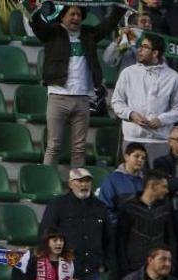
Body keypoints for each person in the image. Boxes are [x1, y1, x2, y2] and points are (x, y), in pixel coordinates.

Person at [31, 2, 126, 166]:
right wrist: (33, 10)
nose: (76, 18)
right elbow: (38, 26)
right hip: (58, 96)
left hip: (82, 99)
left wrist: (121, 7)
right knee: (53, 146)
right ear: (63, 16)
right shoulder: (53, 33)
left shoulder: (89, 34)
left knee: (79, 148)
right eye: (72, 14)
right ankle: (47, 183)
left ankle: (77, 186)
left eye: (79, 15)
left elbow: (107, 25)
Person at [39, 167, 115, 280]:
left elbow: (109, 238)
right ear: (71, 183)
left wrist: (105, 263)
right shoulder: (58, 205)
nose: (84, 184)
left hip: (91, 270)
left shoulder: (100, 207)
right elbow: (45, 234)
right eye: (80, 181)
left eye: (87, 181)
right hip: (64, 271)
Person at [111, 33, 178, 165]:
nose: (139, 50)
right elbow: (116, 102)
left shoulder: (173, 77)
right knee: (131, 181)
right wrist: (131, 114)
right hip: (132, 139)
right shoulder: (127, 73)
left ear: (155, 53)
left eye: (145, 47)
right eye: (140, 46)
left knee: (156, 182)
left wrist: (161, 120)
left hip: (160, 141)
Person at [116, 169, 175, 277]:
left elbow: (170, 239)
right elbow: (121, 240)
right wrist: (124, 267)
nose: (167, 191)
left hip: (159, 268)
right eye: (164, 186)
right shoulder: (129, 207)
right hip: (133, 268)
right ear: (152, 186)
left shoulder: (165, 209)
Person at [96, 142, 146, 226]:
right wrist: (119, 225)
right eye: (136, 156)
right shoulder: (111, 180)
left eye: (143, 158)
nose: (140, 160)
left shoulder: (145, 181)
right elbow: (104, 208)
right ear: (126, 157)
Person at [11, 229, 78, 280]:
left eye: (61, 240)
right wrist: (18, 259)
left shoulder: (70, 260)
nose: (59, 243)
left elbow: (82, 277)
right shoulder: (35, 259)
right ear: (47, 243)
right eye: (55, 240)